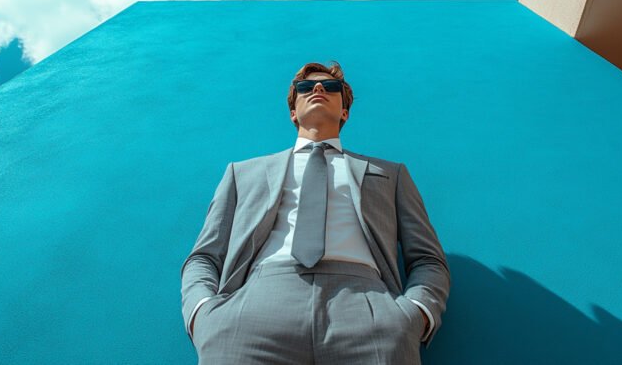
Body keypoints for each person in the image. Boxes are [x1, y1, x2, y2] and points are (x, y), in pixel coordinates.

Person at [181, 61, 450, 364]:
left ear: (345, 111)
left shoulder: (391, 174)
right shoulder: (241, 173)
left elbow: (427, 258)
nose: (318, 88)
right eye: (305, 87)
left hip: (369, 309)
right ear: (293, 111)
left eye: (330, 87)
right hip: (254, 309)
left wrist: (414, 315)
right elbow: (204, 256)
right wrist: (203, 313)